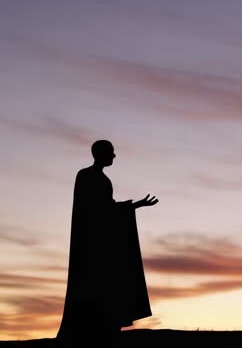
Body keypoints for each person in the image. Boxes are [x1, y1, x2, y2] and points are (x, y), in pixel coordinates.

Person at [57, 139, 158, 346]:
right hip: (91, 245)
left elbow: (106, 208)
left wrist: (133, 206)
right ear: (100, 154)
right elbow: (95, 211)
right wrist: (132, 206)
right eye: (111, 152)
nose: (114, 156)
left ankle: (104, 326)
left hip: (102, 242)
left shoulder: (102, 179)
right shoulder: (86, 176)